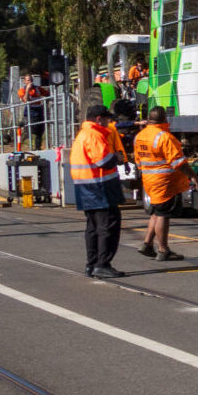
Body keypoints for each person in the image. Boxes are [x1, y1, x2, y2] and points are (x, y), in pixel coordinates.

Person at [69, 103, 128, 278]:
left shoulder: (83, 134)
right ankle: (102, 263)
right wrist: (117, 157)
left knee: (93, 227)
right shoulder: (94, 135)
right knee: (107, 225)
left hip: (87, 186)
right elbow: (103, 161)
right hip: (99, 186)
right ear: (98, 119)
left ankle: (92, 263)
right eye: (106, 118)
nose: (108, 122)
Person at [133, 106, 189, 262]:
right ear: (165, 119)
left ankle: (147, 243)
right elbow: (179, 162)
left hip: (149, 181)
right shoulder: (165, 137)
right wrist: (193, 177)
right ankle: (163, 250)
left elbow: (138, 161)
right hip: (164, 182)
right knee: (163, 215)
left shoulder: (139, 136)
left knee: (157, 212)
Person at [18, 75, 46, 148]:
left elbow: (47, 94)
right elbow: (25, 100)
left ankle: (37, 147)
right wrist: (27, 90)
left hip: (39, 109)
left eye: (30, 80)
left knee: (40, 130)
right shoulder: (22, 90)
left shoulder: (38, 88)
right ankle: (23, 123)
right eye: (27, 80)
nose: (29, 81)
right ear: (24, 81)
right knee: (33, 127)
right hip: (30, 109)